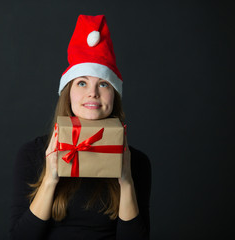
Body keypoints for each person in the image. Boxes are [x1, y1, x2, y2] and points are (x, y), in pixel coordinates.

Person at [10, 15, 151, 240]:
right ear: (68, 92)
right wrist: (50, 179)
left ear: (113, 96)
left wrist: (126, 181)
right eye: (82, 82)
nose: (92, 93)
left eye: (103, 83)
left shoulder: (138, 162)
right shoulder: (32, 154)